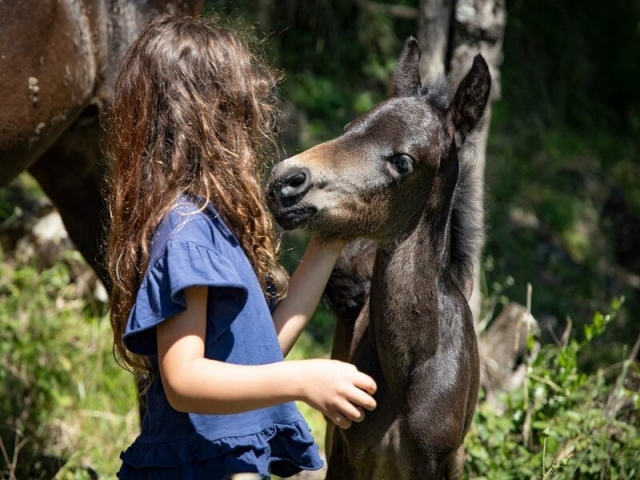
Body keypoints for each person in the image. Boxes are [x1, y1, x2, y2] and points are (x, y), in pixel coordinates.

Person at [105, 14, 376, 480]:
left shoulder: (211, 223)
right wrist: (304, 379)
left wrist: (327, 243)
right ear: (210, 118)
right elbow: (184, 380)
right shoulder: (188, 231)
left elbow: (260, 352)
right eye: (242, 103)